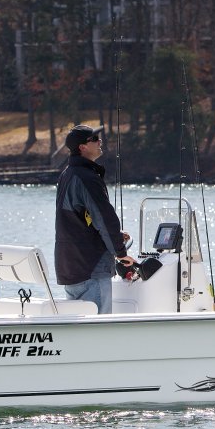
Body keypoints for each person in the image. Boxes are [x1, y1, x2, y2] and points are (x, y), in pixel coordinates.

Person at [54, 124, 135, 314]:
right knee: (99, 327)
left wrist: (115, 236)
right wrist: (120, 252)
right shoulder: (86, 177)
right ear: (82, 147)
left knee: (82, 331)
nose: (100, 142)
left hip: (70, 266)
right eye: (94, 140)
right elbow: (104, 218)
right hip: (90, 267)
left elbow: (79, 219)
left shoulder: (67, 175)